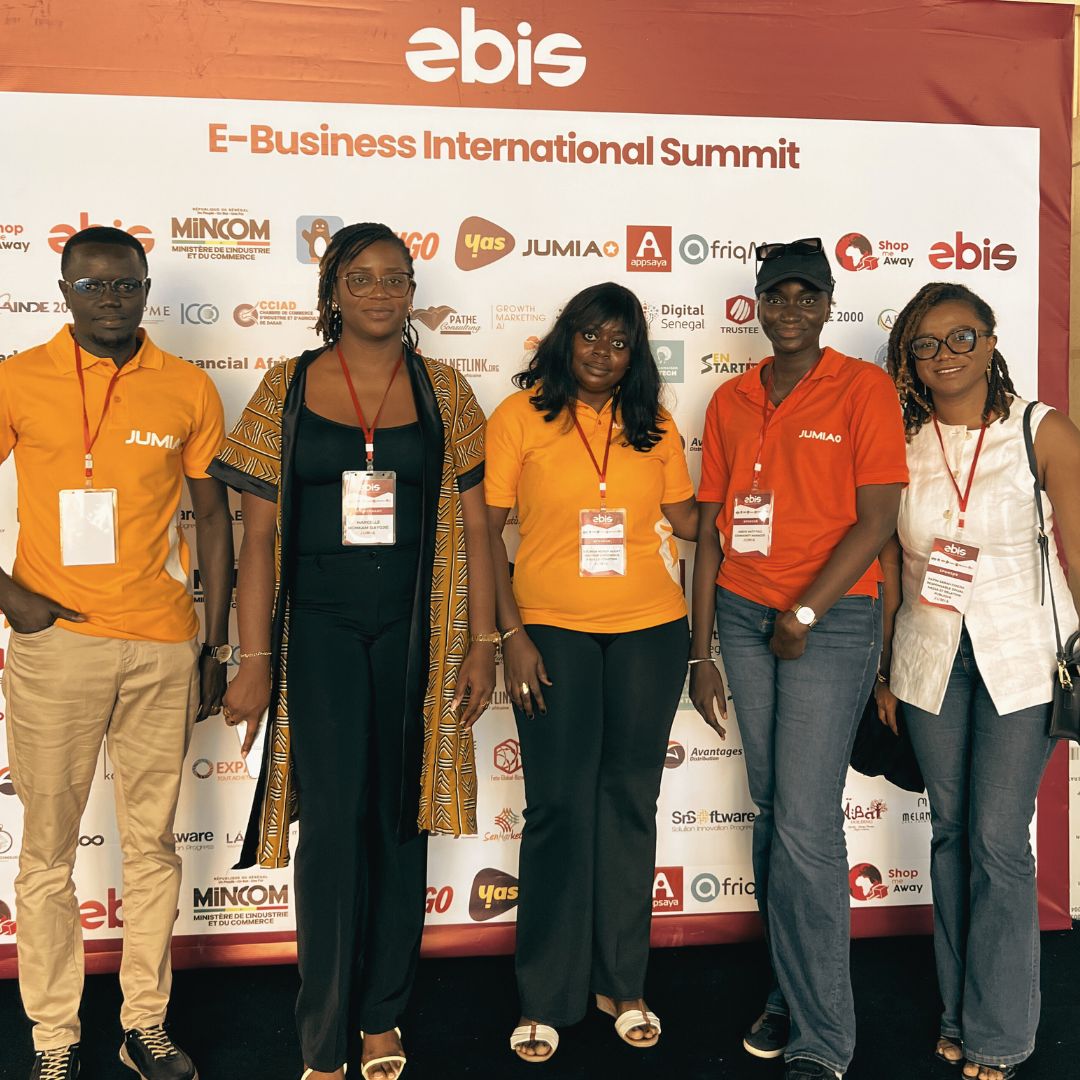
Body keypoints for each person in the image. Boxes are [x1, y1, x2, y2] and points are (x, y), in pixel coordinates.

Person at [211, 222, 496, 1080]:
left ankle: (381, 1018)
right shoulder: (288, 385)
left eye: (395, 277)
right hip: (320, 629)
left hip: (418, 630)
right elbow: (256, 538)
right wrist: (252, 660)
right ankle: (323, 1034)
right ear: (332, 289)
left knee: (400, 819)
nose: (380, 291)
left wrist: (482, 643)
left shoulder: (446, 390)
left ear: (412, 290)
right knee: (332, 827)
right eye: (361, 277)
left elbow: (478, 527)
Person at [0, 226, 234, 1080]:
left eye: (126, 284)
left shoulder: (186, 386)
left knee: (153, 847)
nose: (111, 299)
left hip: (162, 646)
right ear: (63, 291)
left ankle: (145, 1025)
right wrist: (10, 597)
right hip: (57, 644)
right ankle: (54, 1038)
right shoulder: (17, 377)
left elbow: (214, 519)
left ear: (145, 290)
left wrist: (214, 642)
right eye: (93, 285)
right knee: (46, 854)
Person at [689, 238, 908, 1080]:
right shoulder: (732, 396)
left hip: (832, 619)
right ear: (757, 303)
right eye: (775, 296)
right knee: (775, 808)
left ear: (826, 305)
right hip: (744, 613)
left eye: (805, 296)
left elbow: (877, 520)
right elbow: (714, 530)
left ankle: (823, 1037)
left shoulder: (863, 388)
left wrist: (807, 611)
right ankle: (790, 987)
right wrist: (700, 651)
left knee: (807, 823)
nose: (789, 310)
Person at [484, 282, 698, 1064]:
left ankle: (623, 983)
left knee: (629, 804)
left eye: (620, 341)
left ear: (634, 352)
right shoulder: (520, 417)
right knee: (558, 808)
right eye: (591, 336)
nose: (604, 353)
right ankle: (546, 995)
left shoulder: (655, 424)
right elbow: (485, 531)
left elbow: (688, 520)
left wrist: (773, 490)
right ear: (564, 338)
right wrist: (510, 634)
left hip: (651, 631)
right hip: (550, 631)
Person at [875, 283, 1080, 1080]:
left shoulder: (1041, 429)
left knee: (997, 839)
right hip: (930, 659)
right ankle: (959, 1013)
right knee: (952, 833)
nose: (946, 354)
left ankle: (999, 1034)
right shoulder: (902, 441)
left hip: (1019, 656)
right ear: (909, 360)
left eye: (961, 336)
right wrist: (886, 669)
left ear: (991, 340)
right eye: (926, 344)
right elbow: (890, 562)